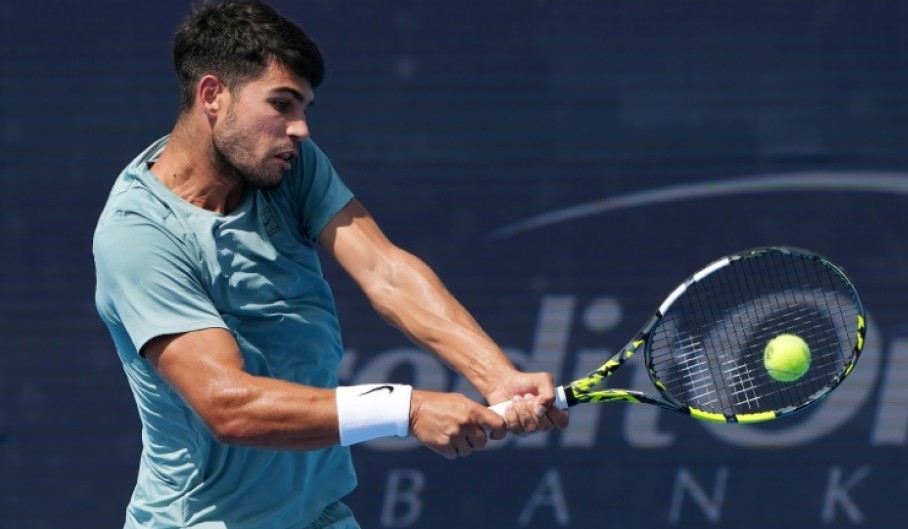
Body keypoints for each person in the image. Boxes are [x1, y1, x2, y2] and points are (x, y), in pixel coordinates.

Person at [92, 1, 567, 528]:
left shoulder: (286, 164)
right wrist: (403, 409)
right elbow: (229, 406)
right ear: (212, 96)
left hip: (316, 515)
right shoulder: (138, 236)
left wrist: (497, 375)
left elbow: (386, 272)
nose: (300, 129)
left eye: (304, 108)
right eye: (282, 104)